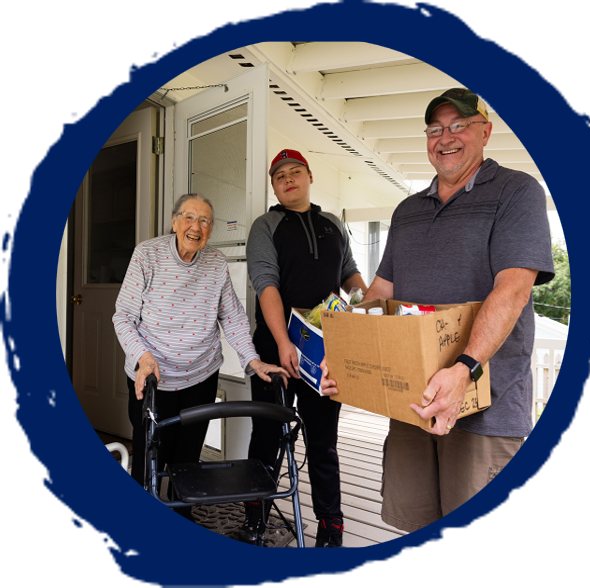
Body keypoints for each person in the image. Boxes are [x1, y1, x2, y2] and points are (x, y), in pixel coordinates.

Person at [320, 88, 555, 532]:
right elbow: (380, 292)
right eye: (435, 129)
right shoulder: (407, 211)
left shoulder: (517, 192)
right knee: (414, 522)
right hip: (411, 402)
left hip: (484, 408)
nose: (446, 138)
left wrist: (465, 366)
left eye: (459, 126)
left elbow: (513, 290)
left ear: (485, 131)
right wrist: (345, 355)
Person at [112, 193, 288, 521]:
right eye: (189, 217)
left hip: (200, 375)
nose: (197, 226)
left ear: (211, 229)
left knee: (188, 459)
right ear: (175, 221)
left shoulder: (216, 263)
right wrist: (143, 358)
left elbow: (233, 318)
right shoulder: (147, 255)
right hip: (152, 376)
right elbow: (123, 316)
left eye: (205, 220)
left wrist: (253, 360)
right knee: (150, 455)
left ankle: (183, 520)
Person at [237, 149, 367, 547]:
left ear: (309, 176)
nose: (288, 179)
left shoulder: (332, 224)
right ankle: (256, 517)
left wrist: (366, 301)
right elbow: (266, 285)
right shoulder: (266, 225)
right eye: (279, 176)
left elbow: (350, 276)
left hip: (324, 350)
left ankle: (331, 526)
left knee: (323, 440)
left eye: (295, 172)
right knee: (268, 434)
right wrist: (281, 343)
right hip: (276, 347)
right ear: (274, 186)